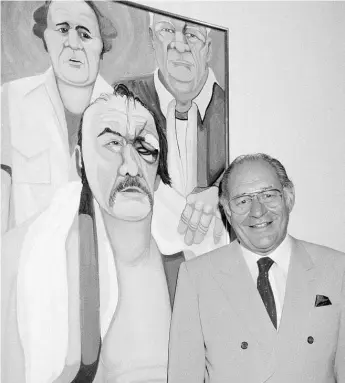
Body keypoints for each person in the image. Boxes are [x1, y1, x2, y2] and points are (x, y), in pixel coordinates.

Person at [2, 86, 186, 383]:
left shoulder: (185, 264)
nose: (130, 167)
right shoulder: (24, 258)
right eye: (112, 144)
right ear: (79, 162)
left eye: (144, 147)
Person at [168, 153, 345, 383]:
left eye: (268, 195)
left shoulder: (336, 269)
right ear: (227, 211)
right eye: (243, 200)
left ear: (289, 197)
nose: (258, 211)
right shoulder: (197, 277)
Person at [1, 0, 117, 233]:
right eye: (62, 30)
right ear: (46, 37)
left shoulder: (123, 114)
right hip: (28, 262)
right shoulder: (11, 100)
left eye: (85, 34)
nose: (72, 43)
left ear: (101, 44)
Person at [120, 12, 228, 255]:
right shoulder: (126, 98)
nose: (179, 45)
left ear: (208, 49)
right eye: (166, 31)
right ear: (151, 39)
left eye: (192, 34)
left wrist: (223, 192)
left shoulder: (233, 111)